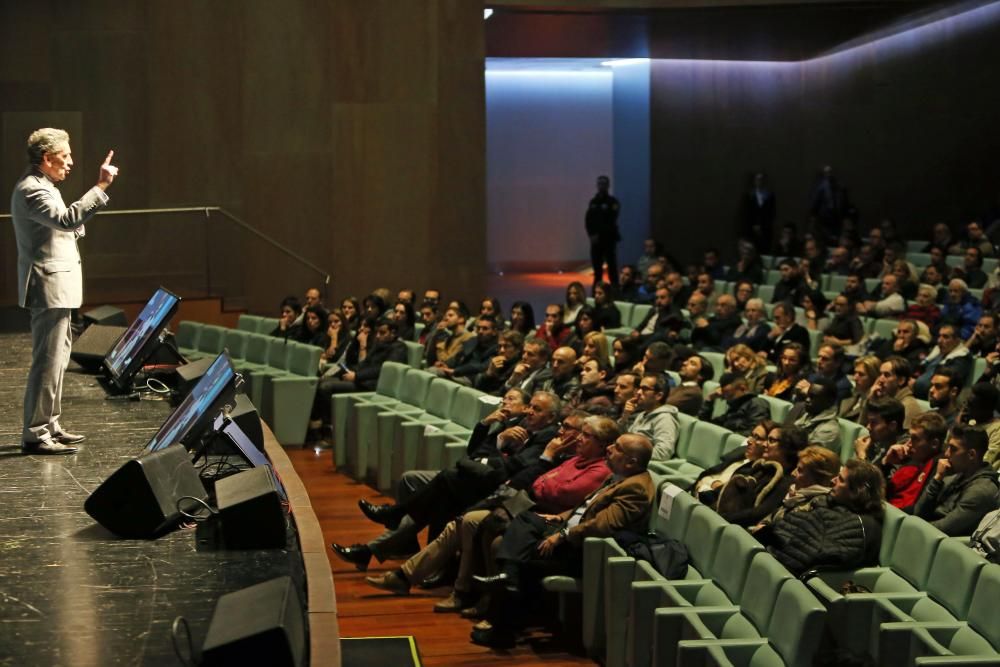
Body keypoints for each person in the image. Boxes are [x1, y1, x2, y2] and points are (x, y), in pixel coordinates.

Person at [470, 433, 656, 648]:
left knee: (523, 561)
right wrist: (562, 517)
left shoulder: (636, 488)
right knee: (526, 518)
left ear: (631, 461)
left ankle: (503, 626)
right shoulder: (619, 475)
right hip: (568, 530)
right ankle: (508, 580)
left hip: (582, 550)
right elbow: (586, 507)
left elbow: (604, 525)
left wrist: (563, 535)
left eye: (617, 447)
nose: (609, 448)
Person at [12, 128, 118, 454]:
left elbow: (66, 225)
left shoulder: (46, 186)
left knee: (57, 359)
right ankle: (37, 433)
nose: (70, 162)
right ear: (47, 158)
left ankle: (51, 425)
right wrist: (101, 185)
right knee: (47, 361)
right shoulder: (33, 190)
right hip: (48, 287)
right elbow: (69, 220)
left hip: (58, 287)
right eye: (65, 156)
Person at [764, 459, 885, 576]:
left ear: (857, 491)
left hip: (788, 575)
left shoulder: (860, 524)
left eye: (840, 480)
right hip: (773, 559)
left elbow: (809, 558)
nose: (833, 480)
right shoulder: (826, 502)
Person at [914, 425, 1000, 536]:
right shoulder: (956, 474)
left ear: (971, 455)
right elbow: (919, 512)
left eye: (953, 449)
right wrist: (937, 478)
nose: (947, 454)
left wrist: (912, 527)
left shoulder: (981, 490)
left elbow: (943, 529)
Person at [879, 411, 947, 511]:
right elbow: (881, 491)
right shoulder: (909, 458)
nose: (908, 444)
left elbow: (916, 510)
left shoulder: (939, 469)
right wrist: (886, 463)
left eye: (915, 439)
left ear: (934, 444)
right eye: (910, 437)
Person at [618, 373, 679, 461]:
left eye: (645, 389)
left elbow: (663, 453)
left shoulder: (665, 419)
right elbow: (623, 437)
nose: (638, 392)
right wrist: (625, 416)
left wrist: (630, 453)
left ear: (659, 396)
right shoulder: (643, 414)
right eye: (639, 388)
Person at [585, 175, 621, 287]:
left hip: (609, 239)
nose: (601, 186)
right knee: (597, 269)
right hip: (596, 241)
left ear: (608, 185)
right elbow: (588, 220)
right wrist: (591, 235)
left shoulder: (613, 202)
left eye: (604, 183)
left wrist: (600, 233)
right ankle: (597, 292)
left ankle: (615, 291)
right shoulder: (593, 202)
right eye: (599, 183)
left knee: (612, 267)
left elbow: (611, 220)